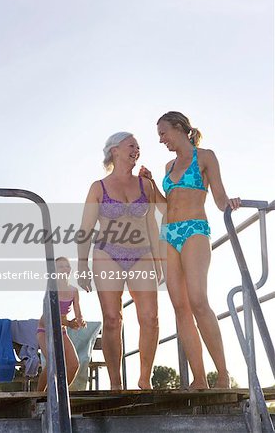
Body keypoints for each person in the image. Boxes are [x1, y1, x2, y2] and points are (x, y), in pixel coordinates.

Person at [139, 111, 240, 389]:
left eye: (163, 133)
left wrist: (230, 202)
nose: (161, 140)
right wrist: (149, 185)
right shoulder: (168, 166)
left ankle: (222, 375)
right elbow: (163, 205)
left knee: (198, 300)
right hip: (169, 233)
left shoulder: (205, 156)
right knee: (180, 307)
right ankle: (198, 379)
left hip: (195, 230)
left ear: (179, 127)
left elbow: (218, 197)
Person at [77, 132, 161, 390]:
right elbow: (86, 228)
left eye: (138, 146)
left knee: (150, 318)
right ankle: (116, 383)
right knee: (113, 319)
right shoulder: (98, 187)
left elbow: (151, 224)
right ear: (114, 150)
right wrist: (82, 266)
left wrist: (159, 261)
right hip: (107, 254)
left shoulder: (145, 185)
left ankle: (145, 380)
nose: (137, 149)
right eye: (131, 145)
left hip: (142, 254)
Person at [37, 256, 86, 391]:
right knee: (53, 361)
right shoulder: (51, 288)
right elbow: (50, 315)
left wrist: (80, 321)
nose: (64, 269)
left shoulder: (74, 291)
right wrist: (69, 323)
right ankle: (38, 395)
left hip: (61, 330)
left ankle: (57, 394)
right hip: (45, 330)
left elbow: (78, 314)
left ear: (70, 269)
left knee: (73, 364)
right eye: (60, 267)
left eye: (66, 266)